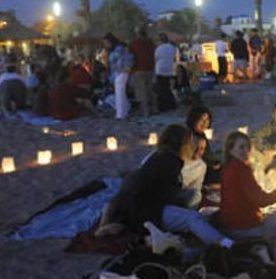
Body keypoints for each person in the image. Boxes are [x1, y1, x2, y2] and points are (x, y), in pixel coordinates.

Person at [97, 124, 233, 249]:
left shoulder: (157, 155)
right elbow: (169, 196)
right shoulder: (171, 162)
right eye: (191, 143)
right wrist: (182, 205)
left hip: (130, 207)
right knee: (192, 218)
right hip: (146, 212)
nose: (193, 146)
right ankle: (227, 245)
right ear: (184, 144)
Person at [218, 131, 276, 243]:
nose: (246, 151)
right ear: (230, 149)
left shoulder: (227, 167)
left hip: (228, 226)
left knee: (269, 214)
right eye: (241, 147)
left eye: (248, 147)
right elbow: (260, 200)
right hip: (247, 231)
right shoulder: (241, 170)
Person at [185, 106, 221, 184]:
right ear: (193, 120)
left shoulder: (201, 135)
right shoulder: (189, 137)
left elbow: (206, 155)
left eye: (207, 119)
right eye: (201, 119)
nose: (204, 123)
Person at [128, 25, 156, 116]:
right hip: (150, 68)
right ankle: (154, 108)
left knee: (141, 91)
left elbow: (130, 57)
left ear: (137, 32)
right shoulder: (151, 42)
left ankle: (145, 111)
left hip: (138, 69)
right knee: (150, 90)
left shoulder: (134, 43)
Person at [104, 33, 133, 119]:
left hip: (121, 72)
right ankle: (123, 112)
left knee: (120, 93)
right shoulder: (119, 48)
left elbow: (121, 60)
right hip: (120, 72)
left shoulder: (118, 49)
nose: (105, 45)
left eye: (106, 42)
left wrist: (126, 68)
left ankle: (121, 114)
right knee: (120, 93)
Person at [181, 135, 208, 209]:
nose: (198, 151)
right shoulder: (180, 159)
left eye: (202, 149)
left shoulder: (202, 166)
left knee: (196, 195)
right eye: (195, 147)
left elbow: (196, 186)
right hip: (172, 192)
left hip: (185, 194)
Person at [154, 33, 178, 99]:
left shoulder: (158, 48)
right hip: (170, 70)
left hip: (160, 70)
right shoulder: (172, 47)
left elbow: (155, 58)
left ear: (160, 40)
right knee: (168, 87)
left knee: (161, 88)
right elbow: (174, 57)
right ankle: (169, 101)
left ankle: (163, 102)